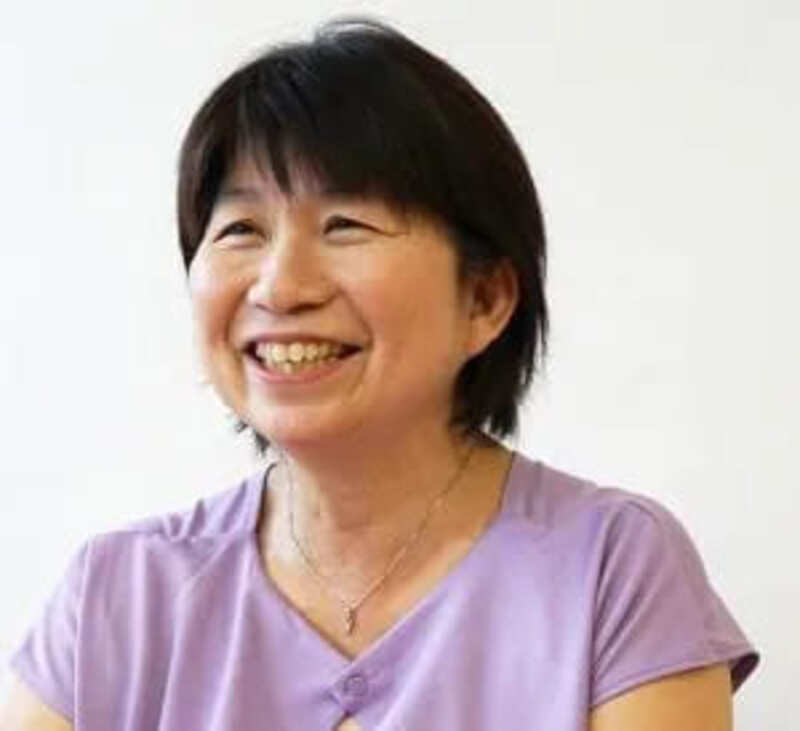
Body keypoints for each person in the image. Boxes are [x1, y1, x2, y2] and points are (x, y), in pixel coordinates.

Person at [2, 16, 759, 731]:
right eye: (241, 229)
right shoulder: (120, 593)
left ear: (485, 299)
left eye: (345, 225)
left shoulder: (612, 567)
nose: (280, 287)